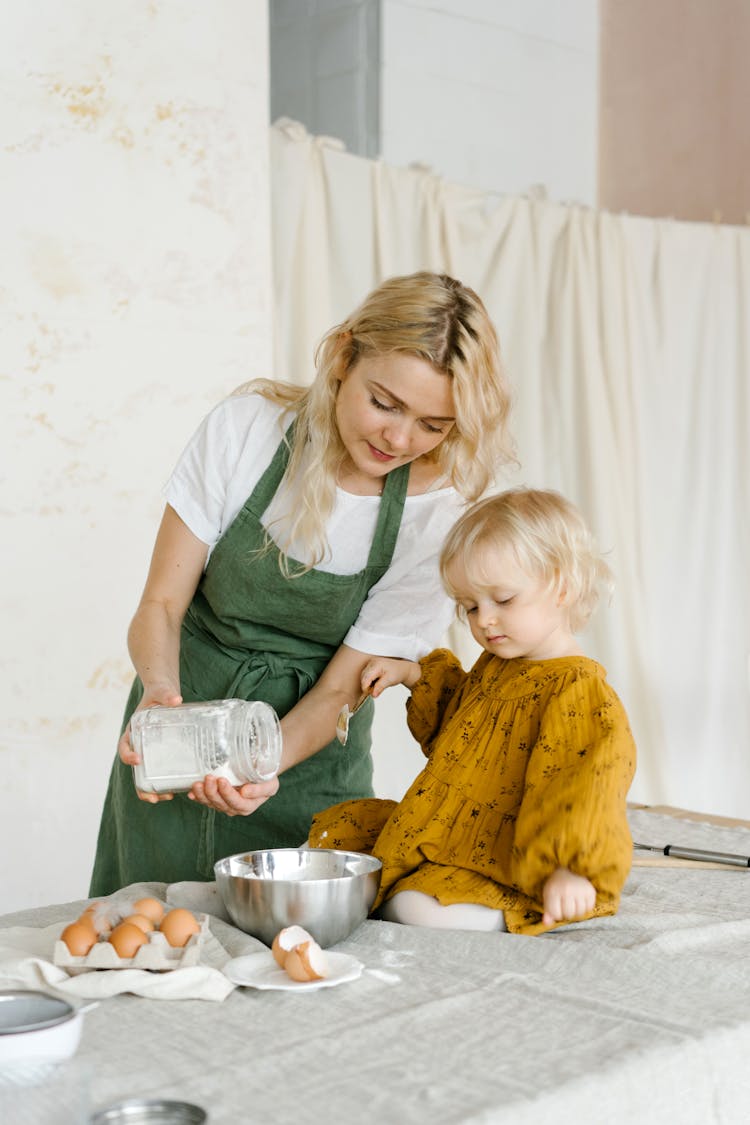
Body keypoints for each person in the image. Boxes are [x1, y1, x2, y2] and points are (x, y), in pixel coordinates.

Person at [89, 272, 514, 895]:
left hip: (310, 756)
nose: (399, 439)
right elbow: (160, 603)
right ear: (343, 356)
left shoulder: (440, 513)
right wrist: (160, 696)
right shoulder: (247, 431)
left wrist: (261, 767)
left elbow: (343, 686)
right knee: (149, 936)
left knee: (296, 954)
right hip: (184, 722)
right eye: (385, 403)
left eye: (434, 425)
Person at [308, 488, 637, 935]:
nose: (484, 620)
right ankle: (226, 895)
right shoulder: (499, 665)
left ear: (562, 586)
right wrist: (410, 674)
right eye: (470, 607)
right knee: (335, 849)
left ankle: (538, 907)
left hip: (512, 856)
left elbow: (586, 788)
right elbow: (458, 736)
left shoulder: (578, 691)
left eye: (503, 600)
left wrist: (569, 868)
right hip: (455, 832)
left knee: (415, 907)